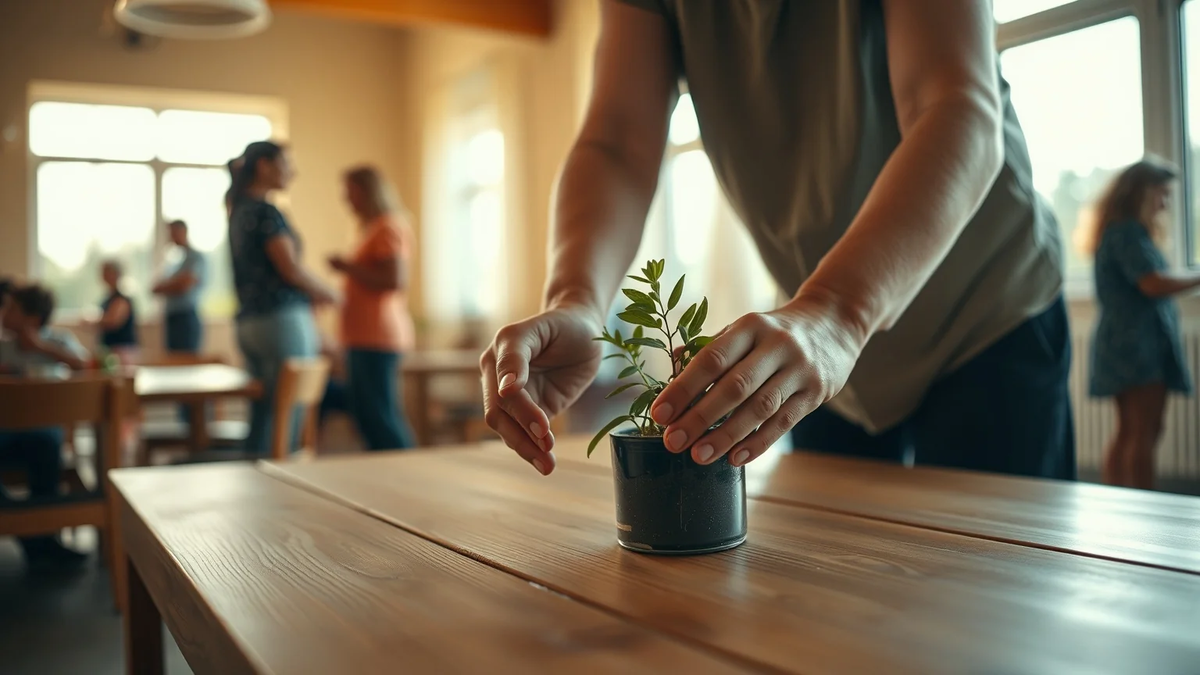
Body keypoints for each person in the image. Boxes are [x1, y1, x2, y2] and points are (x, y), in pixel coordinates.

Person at [481, 0, 1074, 479]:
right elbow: (616, 141)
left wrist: (837, 312)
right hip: (820, 352)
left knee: (994, 610)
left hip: (980, 314)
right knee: (824, 607)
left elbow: (955, 106)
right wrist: (578, 298)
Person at [1083, 159, 1198, 490]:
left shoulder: (1120, 231)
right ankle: (1142, 508)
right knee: (1143, 430)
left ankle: (1122, 501)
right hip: (1135, 345)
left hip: (1127, 341)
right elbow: (1152, 283)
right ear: (1141, 193)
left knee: (1132, 430)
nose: (1166, 202)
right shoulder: (1127, 233)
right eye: (1161, 193)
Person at [228, 141, 338, 455]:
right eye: (287, 163)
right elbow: (290, 268)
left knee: (265, 415)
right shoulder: (264, 211)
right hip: (279, 321)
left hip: (250, 324)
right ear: (264, 165)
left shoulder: (239, 210)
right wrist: (328, 292)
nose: (293, 172)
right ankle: (283, 491)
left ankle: (258, 490)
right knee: (289, 417)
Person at [0, 281, 91, 567]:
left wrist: (40, 346)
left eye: (12, 309)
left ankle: (41, 537)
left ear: (33, 319)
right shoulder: (3, 349)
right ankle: (23, 525)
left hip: (44, 437)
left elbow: (84, 366)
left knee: (47, 443)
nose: (4, 312)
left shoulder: (59, 342)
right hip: (5, 434)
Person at [326, 165, 418, 450]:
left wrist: (348, 267)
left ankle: (406, 470)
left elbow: (394, 279)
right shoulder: (370, 229)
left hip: (377, 336)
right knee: (367, 414)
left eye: (350, 192)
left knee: (379, 416)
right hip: (362, 336)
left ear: (367, 192)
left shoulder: (387, 226)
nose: (346, 199)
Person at [153, 219, 207, 354]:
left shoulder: (195, 257)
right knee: (172, 362)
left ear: (183, 232)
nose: (170, 237)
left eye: (173, 232)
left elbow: (185, 285)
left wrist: (169, 285)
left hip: (186, 318)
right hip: (172, 318)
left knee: (187, 362)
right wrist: (174, 283)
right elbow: (155, 288)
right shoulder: (174, 261)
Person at [95, 260, 138, 361]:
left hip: (122, 349)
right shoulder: (107, 299)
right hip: (109, 348)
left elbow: (113, 322)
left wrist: (93, 321)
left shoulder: (122, 299)